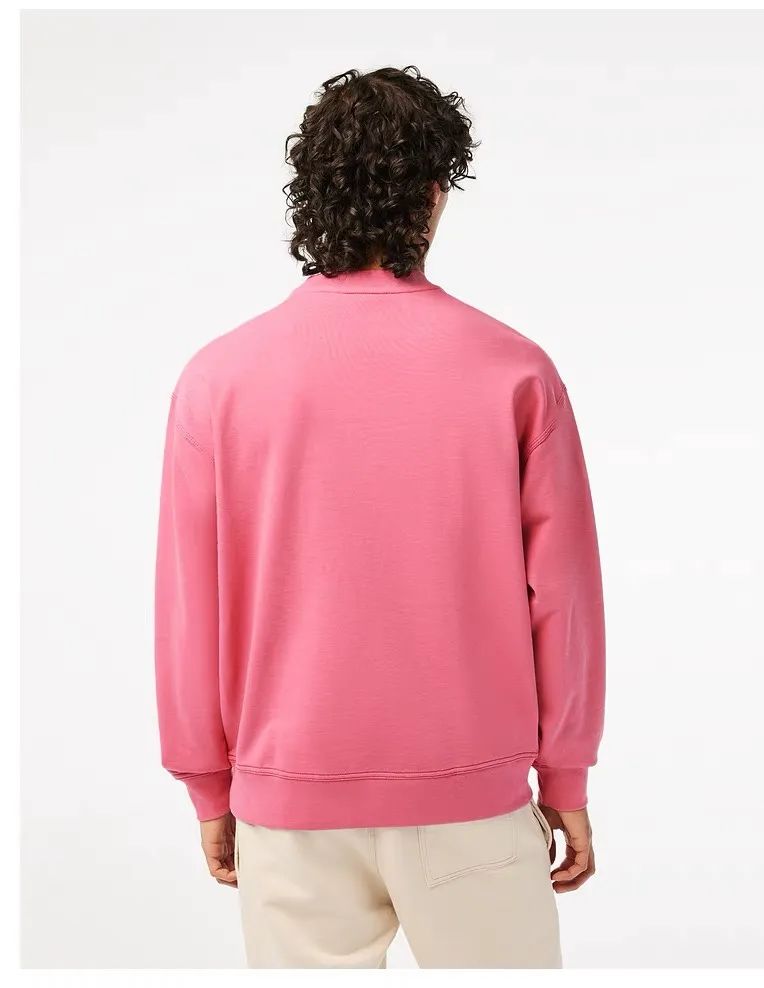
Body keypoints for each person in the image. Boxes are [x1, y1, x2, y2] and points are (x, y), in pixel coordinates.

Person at [154, 66, 605, 969]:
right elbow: (563, 598)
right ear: (435, 193)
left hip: (288, 800)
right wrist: (565, 773)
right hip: (472, 799)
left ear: (314, 191)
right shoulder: (513, 370)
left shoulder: (219, 379)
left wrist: (210, 783)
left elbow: (188, 608)